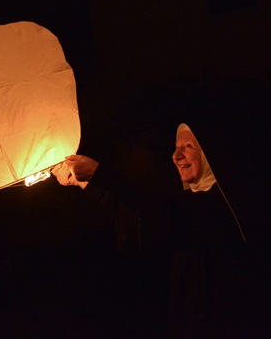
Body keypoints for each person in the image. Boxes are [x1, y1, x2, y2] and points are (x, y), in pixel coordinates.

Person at [53, 122, 246, 339]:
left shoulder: (225, 206)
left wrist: (99, 175)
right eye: (176, 147)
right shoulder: (192, 205)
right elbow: (137, 219)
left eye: (189, 147)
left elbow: (158, 213)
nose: (176, 156)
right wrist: (85, 182)